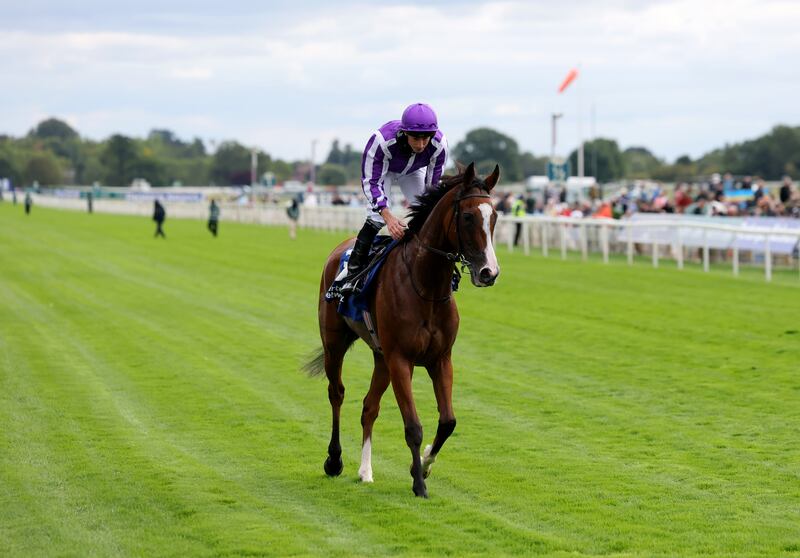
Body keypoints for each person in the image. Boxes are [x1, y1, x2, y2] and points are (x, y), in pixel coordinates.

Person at [339, 102, 448, 289]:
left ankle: (435, 265)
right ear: (405, 132)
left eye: (426, 138)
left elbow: (433, 188)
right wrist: (388, 217)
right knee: (376, 217)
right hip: (385, 171)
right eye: (416, 138)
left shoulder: (439, 145)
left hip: (413, 172)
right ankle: (353, 272)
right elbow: (371, 182)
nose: (421, 145)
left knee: (429, 213)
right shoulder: (381, 141)